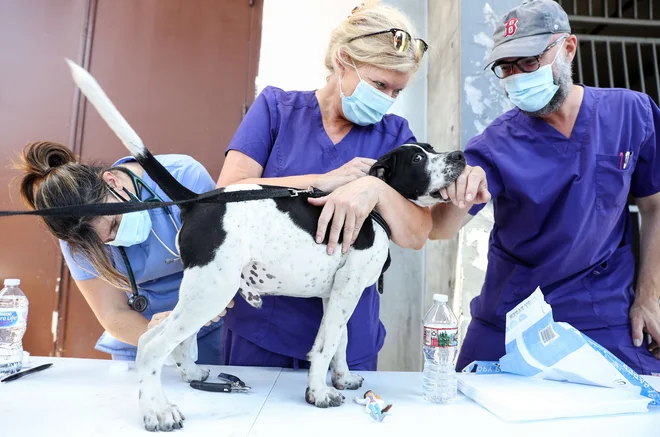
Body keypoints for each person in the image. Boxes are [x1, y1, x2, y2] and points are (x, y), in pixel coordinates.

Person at [429, 0, 660, 375]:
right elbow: (440, 227)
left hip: (601, 313)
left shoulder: (631, 113)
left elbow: (654, 205)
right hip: (512, 317)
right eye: (506, 67)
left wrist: (650, 297)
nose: (517, 76)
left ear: (567, 48)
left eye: (529, 62)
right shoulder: (494, 145)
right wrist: (461, 188)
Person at [215, 0, 436, 370]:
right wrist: (321, 182)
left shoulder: (396, 137)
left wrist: (376, 189)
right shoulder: (276, 110)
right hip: (263, 327)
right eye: (380, 84)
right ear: (342, 60)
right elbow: (228, 193)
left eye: (398, 91)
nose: (388, 101)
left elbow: (417, 234)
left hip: (348, 340)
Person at [14, 141, 228, 363]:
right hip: (140, 334)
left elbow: (226, 258)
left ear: (112, 181)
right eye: (102, 243)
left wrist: (215, 297)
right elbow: (112, 312)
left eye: (114, 224)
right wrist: (158, 334)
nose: (111, 240)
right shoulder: (75, 236)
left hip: (209, 325)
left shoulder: (182, 177)